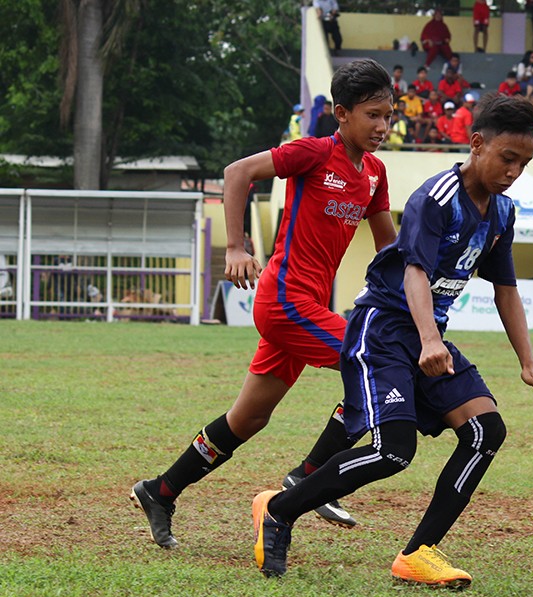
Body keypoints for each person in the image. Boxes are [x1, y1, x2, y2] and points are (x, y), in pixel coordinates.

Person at [251, 93, 533, 586]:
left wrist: (528, 362)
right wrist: (429, 341)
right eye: (507, 158)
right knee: (393, 451)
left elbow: (506, 289)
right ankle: (281, 510)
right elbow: (414, 270)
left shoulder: (502, 214)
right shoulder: (435, 198)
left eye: (524, 162)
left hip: (425, 334)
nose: (514, 171)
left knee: (486, 431)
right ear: (477, 144)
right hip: (385, 329)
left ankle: (418, 553)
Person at [130, 59, 398, 549]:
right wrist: (236, 247)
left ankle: (160, 490)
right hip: (283, 300)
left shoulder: (375, 174)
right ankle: (308, 478)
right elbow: (238, 173)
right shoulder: (314, 153)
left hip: (309, 307)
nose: (383, 126)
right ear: (341, 114)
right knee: (375, 364)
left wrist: (420, 287)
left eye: (388, 115)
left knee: (248, 418)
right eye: (373, 115)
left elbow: (389, 248)